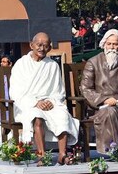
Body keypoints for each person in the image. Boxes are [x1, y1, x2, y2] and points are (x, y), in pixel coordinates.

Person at [9, 32, 79, 164]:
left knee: (62, 115)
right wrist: (36, 102)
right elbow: (16, 91)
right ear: (31, 45)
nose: (42, 48)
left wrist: (51, 101)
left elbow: (59, 91)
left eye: (45, 46)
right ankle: (42, 155)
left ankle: (62, 154)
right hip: (27, 104)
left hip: (49, 103)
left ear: (50, 48)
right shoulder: (21, 64)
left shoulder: (52, 65)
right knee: (37, 117)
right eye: (39, 45)